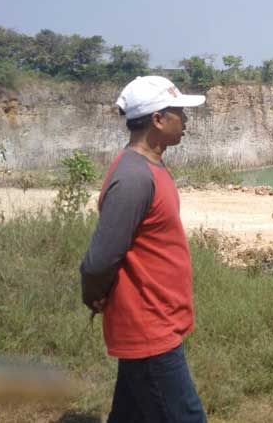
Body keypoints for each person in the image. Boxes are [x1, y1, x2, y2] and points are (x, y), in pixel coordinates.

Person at [80, 76, 207, 422]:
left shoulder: (151, 166)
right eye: (179, 112)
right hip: (149, 326)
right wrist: (93, 294)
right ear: (158, 119)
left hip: (156, 317)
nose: (186, 120)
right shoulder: (134, 177)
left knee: (130, 414)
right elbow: (99, 260)